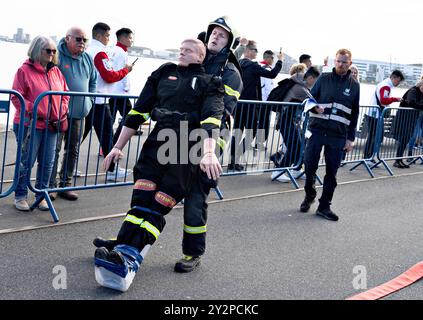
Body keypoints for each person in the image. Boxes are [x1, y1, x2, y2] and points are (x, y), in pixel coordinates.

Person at [92, 38, 224, 291]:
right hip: (156, 143)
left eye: (188, 50)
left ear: (200, 57)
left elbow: (212, 120)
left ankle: (130, 255)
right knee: (141, 199)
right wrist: (117, 146)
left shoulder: (211, 82)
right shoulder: (163, 72)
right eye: (181, 49)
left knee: (158, 203)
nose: (182, 52)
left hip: (186, 148)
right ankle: (122, 247)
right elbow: (138, 112)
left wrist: (208, 153)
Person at [176, 17, 243, 273]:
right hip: (178, 134)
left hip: (209, 141)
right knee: (155, 188)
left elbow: (218, 110)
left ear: (229, 44)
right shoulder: (195, 61)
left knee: (195, 195)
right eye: (213, 32)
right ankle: (130, 244)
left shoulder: (231, 74)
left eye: (222, 35)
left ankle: (192, 253)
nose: (215, 36)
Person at [300, 48, 360, 221]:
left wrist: (351, 138)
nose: (341, 65)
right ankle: (309, 195)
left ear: (350, 63)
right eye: (339, 61)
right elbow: (309, 99)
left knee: (331, 173)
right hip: (317, 130)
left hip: (338, 135)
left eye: (345, 62)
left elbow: (354, 113)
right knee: (309, 166)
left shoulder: (354, 85)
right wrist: (314, 107)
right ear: (335, 61)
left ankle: (324, 206)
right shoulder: (323, 78)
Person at [11, 36, 69, 212]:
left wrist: (62, 111)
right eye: (48, 51)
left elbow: (66, 93)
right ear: (37, 50)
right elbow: (16, 97)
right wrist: (37, 109)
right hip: (30, 125)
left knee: (47, 163)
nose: (52, 54)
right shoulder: (24, 71)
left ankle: (41, 195)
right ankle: (20, 195)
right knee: (26, 162)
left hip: (52, 126)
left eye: (54, 51)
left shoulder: (56, 71)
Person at [48, 27, 97, 201]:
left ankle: (65, 185)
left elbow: (93, 82)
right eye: (78, 39)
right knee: (54, 149)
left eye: (84, 40)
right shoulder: (57, 56)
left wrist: (88, 103)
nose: (82, 43)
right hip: (58, 114)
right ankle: (50, 186)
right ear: (67, 38)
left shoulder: (88, 59)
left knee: (73, 150)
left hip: (79, 113)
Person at [85, 22, 133, 181]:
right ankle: (112, 169)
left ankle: (65, 169)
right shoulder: (99, 52)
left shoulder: (88, 50)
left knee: (77, 138)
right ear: (99, 36)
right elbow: (109, 75)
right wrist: (125, 70)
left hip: (88, 99)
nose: (108, 39)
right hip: (99, 99)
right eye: (107, 36)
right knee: (107, 136)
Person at [229, 41, 283, 170]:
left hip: (237, 104)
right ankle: (235, 158)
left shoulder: (238, 64)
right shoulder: (252, 66)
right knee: (252, 131)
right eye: (255, 50)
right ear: (248, 51)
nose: (256, 52)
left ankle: (233, 161)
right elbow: (272, 74)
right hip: (249, 105)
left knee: (237, 131)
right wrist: (280, 61)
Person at [269, 63, 310, 182]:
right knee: (295, 147)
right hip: (287, 121)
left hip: (291, 122)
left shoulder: (297, 85)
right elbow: (313, 102)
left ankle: (296, 169)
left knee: (299, 146)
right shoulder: (299, 87)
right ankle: (278, 171)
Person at [363, 70, 404, 160]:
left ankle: (369, 157)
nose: (399, 83)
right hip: (374, 114)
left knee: (375, 136)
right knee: (374, 136)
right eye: (398, 81)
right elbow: (383, 101)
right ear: (394, 77)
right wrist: (395, 99)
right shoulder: (386, 86)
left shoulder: (385, 84)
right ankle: (368, 157)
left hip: (373, 113)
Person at [109, 28, 135, 148]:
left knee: (110, 119)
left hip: (112, 91)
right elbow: (121, 72)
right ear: (123, 38)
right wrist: (126, 88)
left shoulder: (114, 50)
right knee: (129, 117)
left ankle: (108, 145)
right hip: (120, 92)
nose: (131, 40)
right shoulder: (121, 52)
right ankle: (113, 144)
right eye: (130, 38)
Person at [392, 79, 423, 168]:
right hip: (404, 118)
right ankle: (397, 161)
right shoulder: (413, 91)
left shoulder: (421, 93)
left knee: (405, 140)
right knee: (403, 139)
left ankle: (399, 160)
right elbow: (412, 103)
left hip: (411, 119)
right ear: (420, 85)